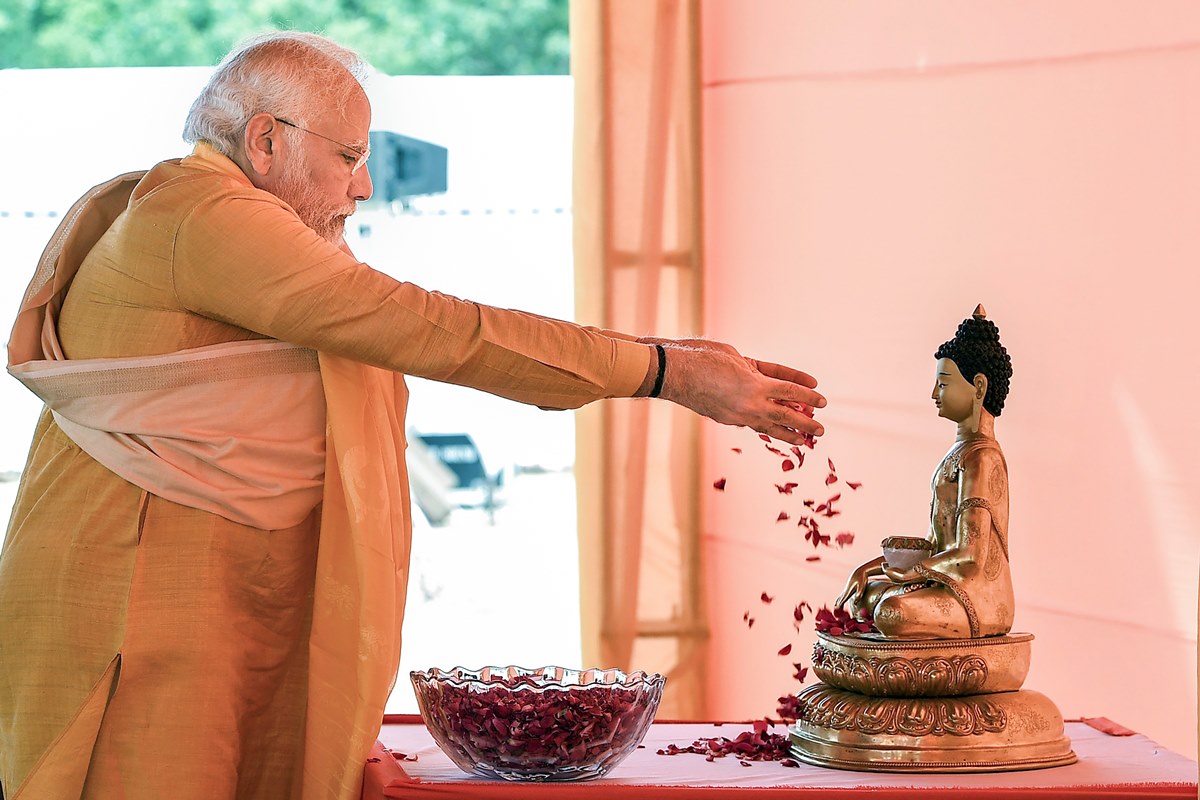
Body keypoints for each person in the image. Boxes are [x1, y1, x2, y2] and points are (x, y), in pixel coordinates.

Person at [0, 32, 826, 800]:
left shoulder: (210, 215)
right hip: (137, 603)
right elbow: (428, 328)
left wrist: (661, 353)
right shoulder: (202, 216)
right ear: (266, 141)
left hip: (213, 603)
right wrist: (661, 371)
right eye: (350, 157)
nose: (363, 184)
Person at [835, 305, 1014, 640]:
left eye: (943, 384)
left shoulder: (983, 457)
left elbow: (970, 555)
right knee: (869, 595)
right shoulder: (958, 453)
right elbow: (937, 544)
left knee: (891, 611)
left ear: (978, 387)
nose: (934, 394)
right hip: (944, 583)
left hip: (977, 598)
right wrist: (872, 568)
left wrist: (913, 572)